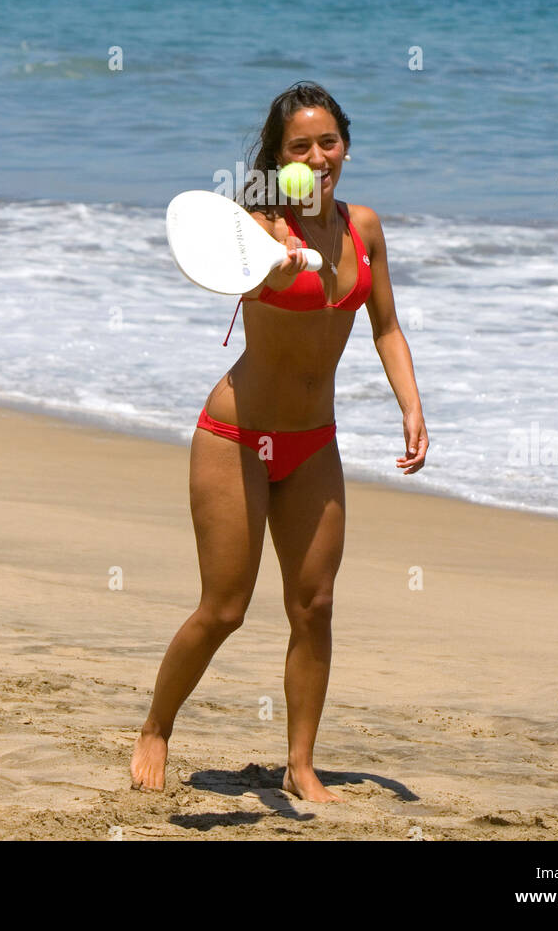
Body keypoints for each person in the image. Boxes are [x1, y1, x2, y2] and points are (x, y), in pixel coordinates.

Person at [130, 81, 428, 802]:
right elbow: (231, 270)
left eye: (329, 142)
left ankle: (300, 762)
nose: (318, 157)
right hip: (236, 435)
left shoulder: (365, 228)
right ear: (278, 157)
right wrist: (279, 258)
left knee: (314, 605)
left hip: (313, 442)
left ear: (346, 147)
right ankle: (156, 728)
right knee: (225, 608)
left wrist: (412, 409)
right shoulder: (255, 228)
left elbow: (385, 327)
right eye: (301, 147)